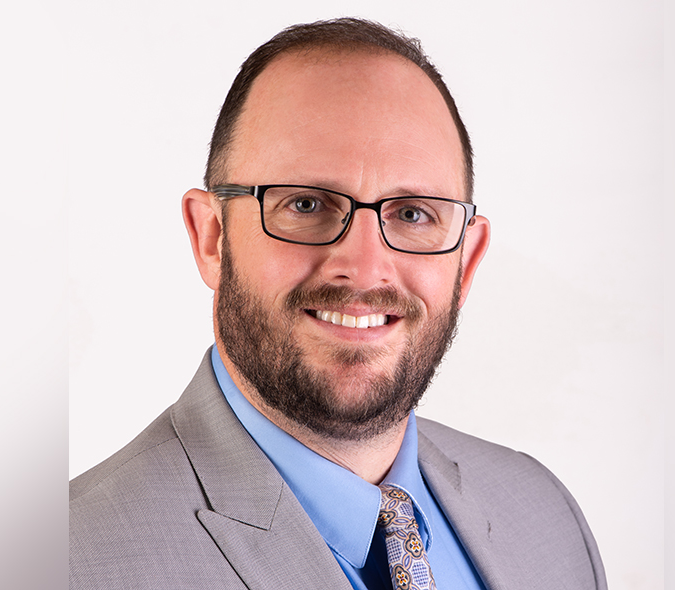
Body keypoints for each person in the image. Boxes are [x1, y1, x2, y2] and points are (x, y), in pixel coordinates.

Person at [69, 17, 606, 590]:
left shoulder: (548, 518)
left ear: (466, 262)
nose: (364, 267)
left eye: (413, 213)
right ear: (212, 239)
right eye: (304, 204)